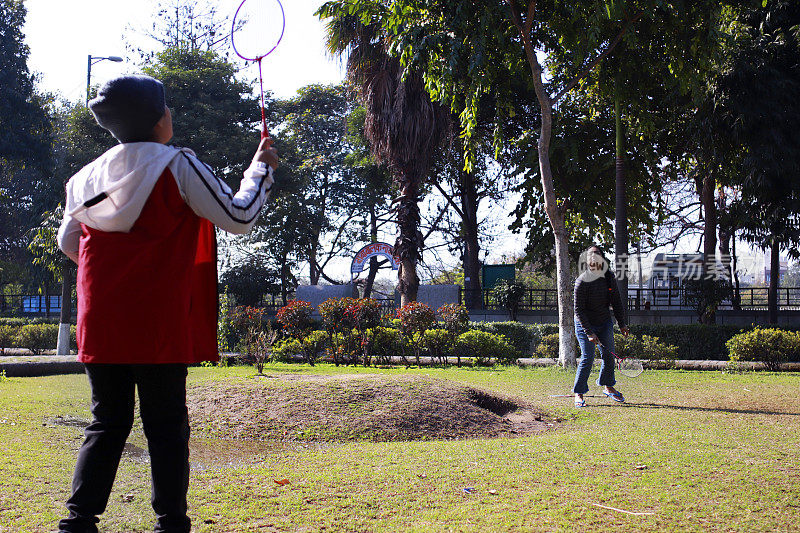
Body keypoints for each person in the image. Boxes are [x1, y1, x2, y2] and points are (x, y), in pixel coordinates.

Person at [56, 75, 278, 533]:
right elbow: (238, 216)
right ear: (160, 119)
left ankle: (79, 521)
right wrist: (260, 170)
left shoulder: (84, 178)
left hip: (102, 320)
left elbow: (69, 241)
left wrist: (119, 270)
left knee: (106, 421)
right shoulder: (177, 165)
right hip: (158, 318)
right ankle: (170, 522)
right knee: (166, 424)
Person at [573, 245, 630, 408]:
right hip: (585, 323)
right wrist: (589, 332)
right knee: (588, 357)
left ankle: (608, 386)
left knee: (608, 355)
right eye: (591, 258)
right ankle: (579, 393)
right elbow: (578, 310)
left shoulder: (609, 277)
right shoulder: (582, 281)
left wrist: (622, 324)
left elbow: (616, 302)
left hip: (604, 321)